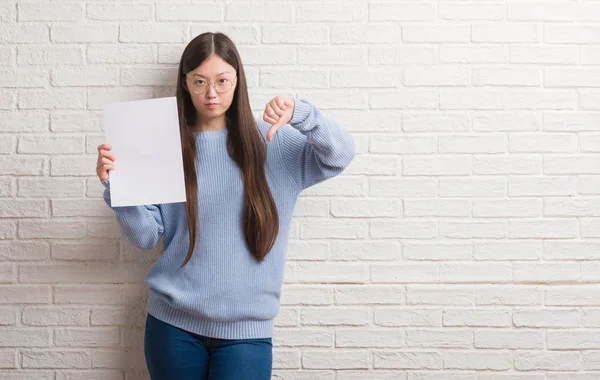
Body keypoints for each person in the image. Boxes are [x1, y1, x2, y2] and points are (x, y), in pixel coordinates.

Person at [95, 32, 355, 380]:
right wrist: (117, 187)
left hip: (247, 332)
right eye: (199, 81)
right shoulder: (161, 146)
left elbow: (339, 155)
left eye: (222, 80)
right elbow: (144, 237)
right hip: (173, 325)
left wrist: (302, 114)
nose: (212, 93)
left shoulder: (273, 142)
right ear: (185, 84)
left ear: (238, 81)